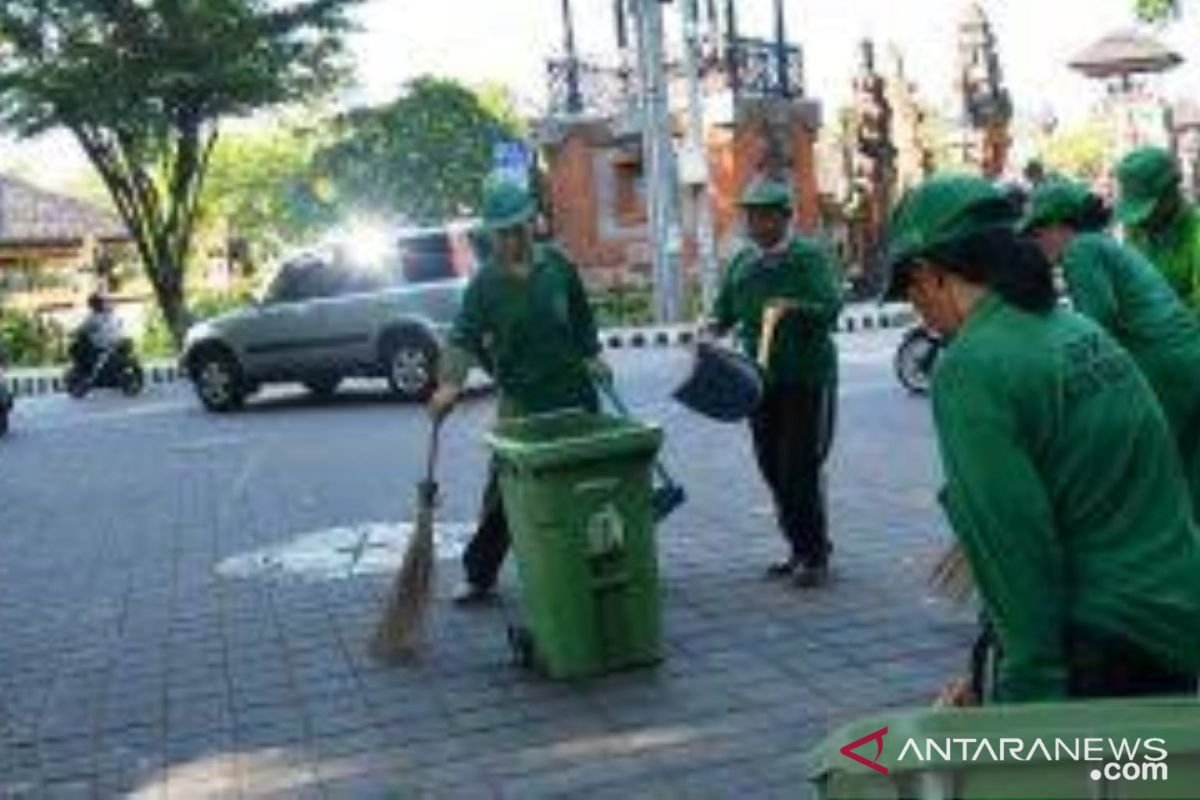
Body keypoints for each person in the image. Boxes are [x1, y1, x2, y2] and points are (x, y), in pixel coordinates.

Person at [884, 173, 1200, 703]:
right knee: (1147, 780)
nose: (918, 311)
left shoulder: (971, 366)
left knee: (1097, 782)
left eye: (910, 291)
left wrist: (1023, 693)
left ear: (929, 273)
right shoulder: (1081, 333)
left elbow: (1016, 544)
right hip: (1176, 620)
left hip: (1104, 643)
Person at [428, 178, 610, 604]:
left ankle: (596, 560)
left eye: (518, 228)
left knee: (586, 481)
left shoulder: (558, 267)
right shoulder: (485, 285)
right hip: (523, 402)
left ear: (532, 223)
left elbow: (582, 317)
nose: (512, 239)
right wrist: (450, 384)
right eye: (503, 232)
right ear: (491, 234)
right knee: (505, 492)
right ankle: (480, 574)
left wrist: (593, 353)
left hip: (575, 395)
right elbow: (462, 339)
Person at [1023, 178, 1200, 513]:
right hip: (1188, 358)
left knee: (1160, 473)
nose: (1034, 244)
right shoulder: (1099, 244)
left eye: (1036, 233)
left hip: (1166, 367)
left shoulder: (1080, 251)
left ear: (1060, 225)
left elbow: (1096, 328)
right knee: (1190, 471)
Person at [705, 178, 843, 588]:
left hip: (805, 376)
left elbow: (831, 308)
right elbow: (724, 312)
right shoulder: (743, 264)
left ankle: (813, 554)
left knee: (798, 466)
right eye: (752, 215)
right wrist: (709, 328)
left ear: (785, 218)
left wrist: (794, 308)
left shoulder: (808, 258)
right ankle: (798, 546)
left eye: (767, 215)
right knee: (770, 466)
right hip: (759, 381)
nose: (758, 223)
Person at [1115, 146, 1200, 311]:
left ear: (1170, 194)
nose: (1142, 221)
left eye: (1148, 209)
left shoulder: (1195, 233)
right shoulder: (1135, 227)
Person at [72, 293, 125, 372]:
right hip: (116, 341)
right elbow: (120, 324)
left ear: (93, 304)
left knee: (79, 349)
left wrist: (73, 333)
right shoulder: (112, 313)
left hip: (101, 344)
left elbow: (82, 329)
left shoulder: (93, 317)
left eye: (91, 304)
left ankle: (88, 369)